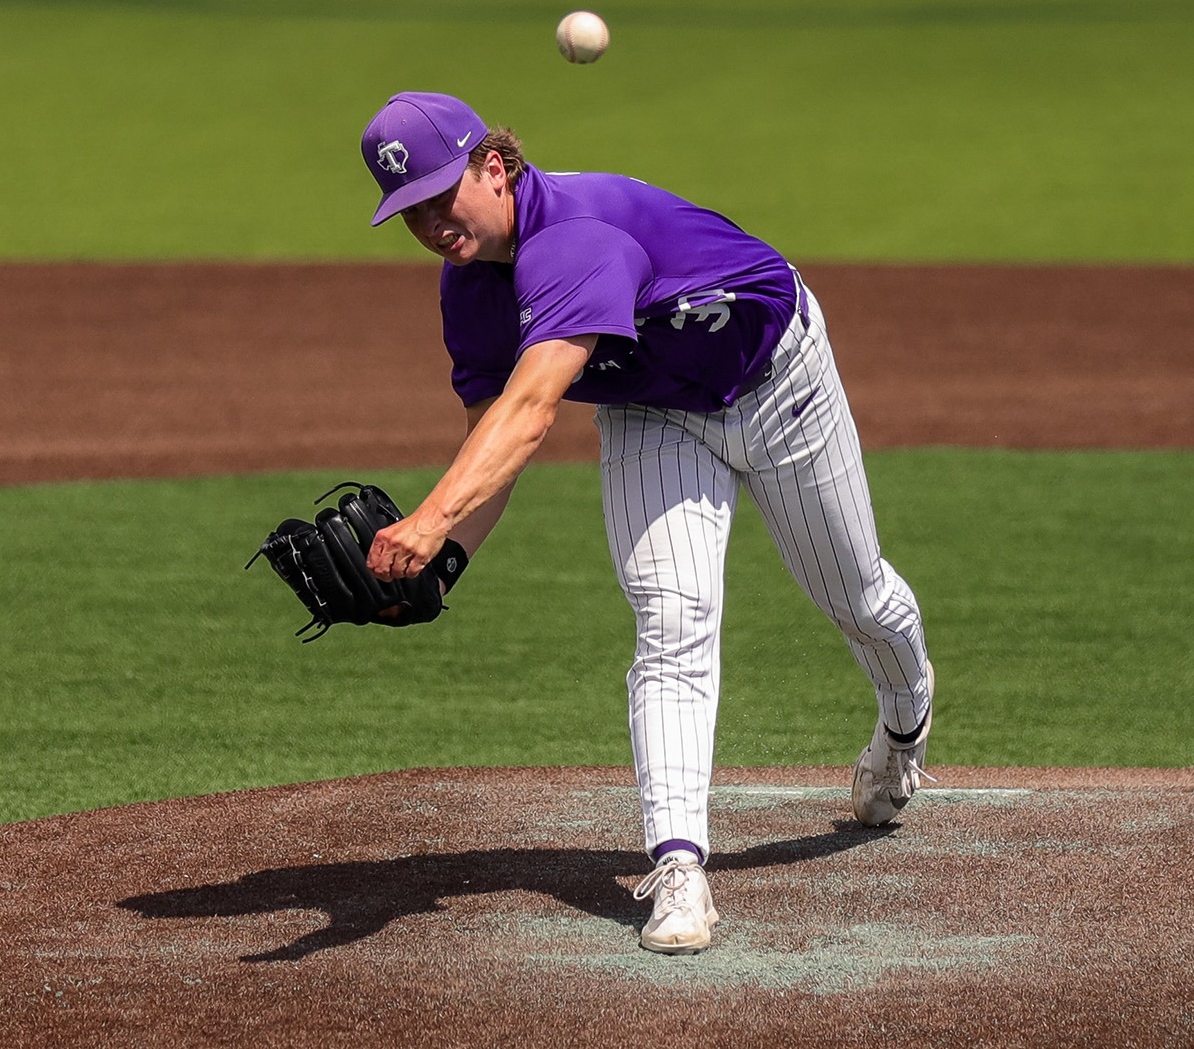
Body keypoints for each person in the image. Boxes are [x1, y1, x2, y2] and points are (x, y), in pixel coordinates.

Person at [356, 92, 935, 955]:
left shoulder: (573, 238)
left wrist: (429, 521)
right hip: (653, 411)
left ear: (495, 167)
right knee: (672, 618)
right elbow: (490, 445)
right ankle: (678, 867)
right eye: (411, 212)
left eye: (443, 196)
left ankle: (905, 716)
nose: (433, 224)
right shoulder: (470, 293)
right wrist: (438, 568)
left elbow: (531, 413)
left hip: (780, 380)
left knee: (857, 597)